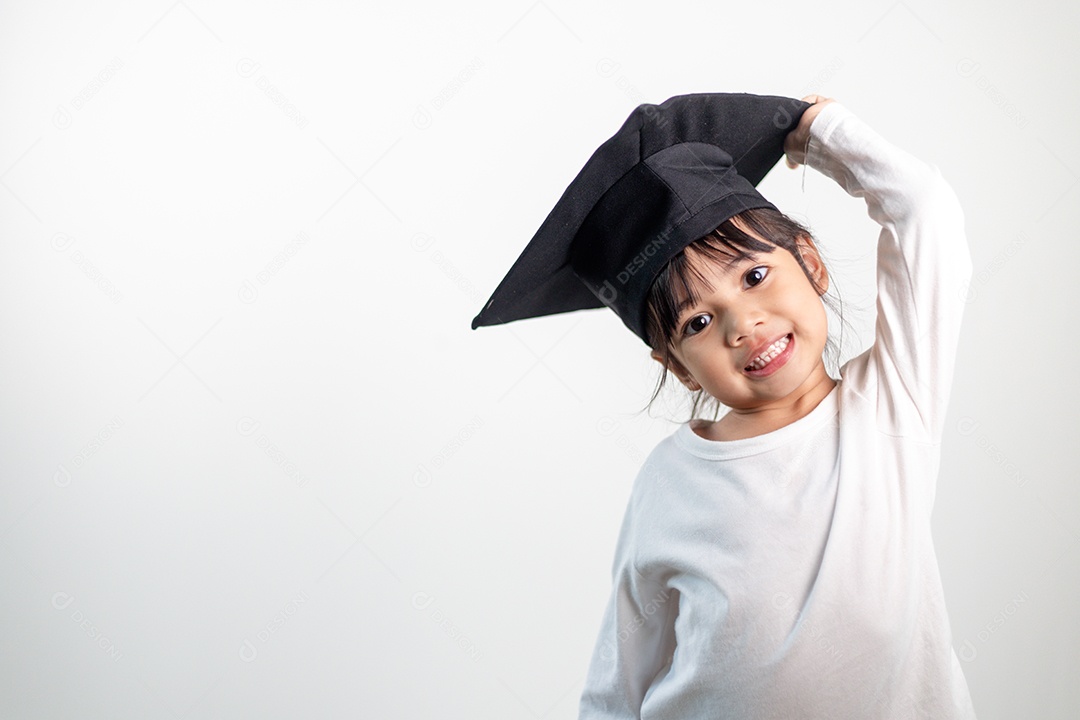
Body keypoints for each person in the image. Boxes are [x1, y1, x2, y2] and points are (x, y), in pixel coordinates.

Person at [472, 92, 977, 718]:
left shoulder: (889, 408)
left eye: (754, 276)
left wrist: (821, 133)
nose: (743, 325)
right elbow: (619, 678)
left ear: (811, 263)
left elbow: (924, 210)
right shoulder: (669, 482)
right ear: (678, 367)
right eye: (699, 321)